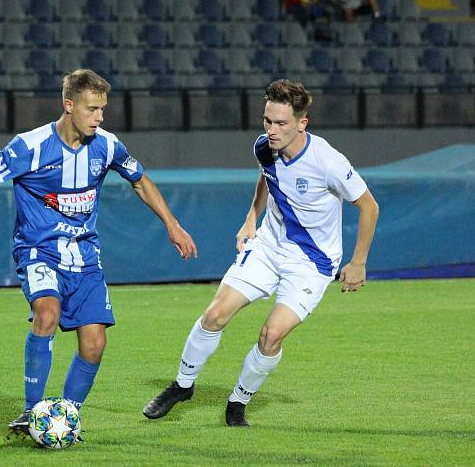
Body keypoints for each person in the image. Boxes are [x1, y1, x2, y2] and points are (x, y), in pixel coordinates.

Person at [0, 69, 198, 436]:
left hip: (85, 257)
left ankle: (65, 418)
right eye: (92, 109)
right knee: (47, 312)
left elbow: (140, 180)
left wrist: (171, 223)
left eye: (103, 109)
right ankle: (31, 412)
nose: (100, 116)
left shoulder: (106, 145)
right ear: (68, 105)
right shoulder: (30, 147)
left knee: (95, 342)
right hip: (38, 251)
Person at [142, 79, 379, 427]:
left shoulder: (328, 161)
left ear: (302, 123)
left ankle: (237, 402)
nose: (271, 129)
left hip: (311, 263)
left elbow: (370, 207)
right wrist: (251, 218)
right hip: (268, 246)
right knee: (214, 315)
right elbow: (267, 177)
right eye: (267, 120)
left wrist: (358, 262)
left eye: (281, 123)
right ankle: (182, 386)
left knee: (271, 335)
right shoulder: (264, 147)